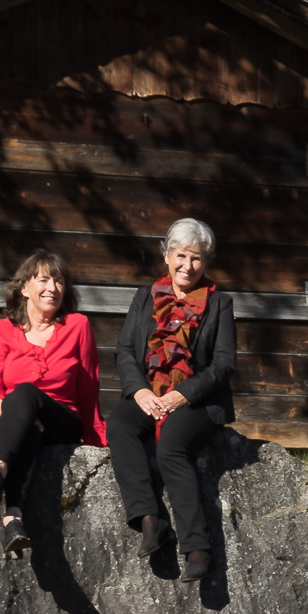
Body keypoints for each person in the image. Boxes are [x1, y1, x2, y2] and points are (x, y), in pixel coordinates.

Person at [109, 217, 240, 586]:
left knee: (170, 448)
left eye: (196, 258)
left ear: (206, 262)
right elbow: (124, 351)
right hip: (149, 392)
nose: (187, 265)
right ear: (166, 256)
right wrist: (140, 391)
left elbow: (224, 364)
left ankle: (198, 548)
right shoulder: (144, 297)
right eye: (181, 255)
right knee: (119, 425)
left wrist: (183, 395)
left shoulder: (220, 303)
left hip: (198, 400)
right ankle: (150, 520)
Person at [0, 249, 105, 559]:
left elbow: (89, 387)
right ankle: (13, 520)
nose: (52, 288)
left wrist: (95, 436)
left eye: (59, 282)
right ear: (24, 288)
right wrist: (23, 416)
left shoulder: (77, 325)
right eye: (43, 280)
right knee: (28, 426)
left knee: (26, 393)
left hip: (61, 419)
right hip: (12, 421)